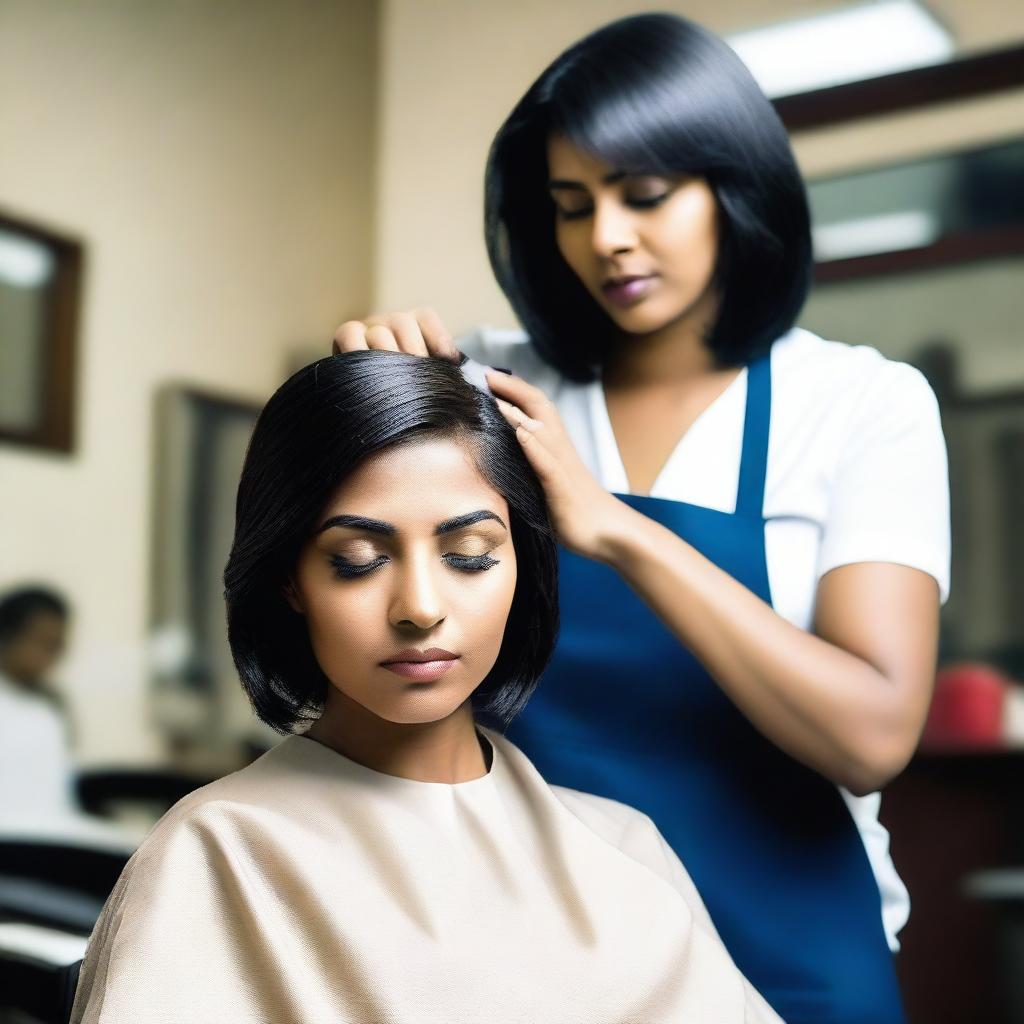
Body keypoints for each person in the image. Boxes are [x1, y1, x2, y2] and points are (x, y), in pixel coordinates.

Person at [331, 13, 950, 1024]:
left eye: (645, 195)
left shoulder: (860, 404)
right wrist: (363, 416)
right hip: (527, 954)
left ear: (734, 187)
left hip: (789, 958)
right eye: (569, 206)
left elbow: (870, 733)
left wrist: (615, 529)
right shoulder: (489, 384)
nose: (603, 238)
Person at [70, 351, 782, 1023]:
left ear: (521, 569)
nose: (419, 607)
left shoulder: (624, 845)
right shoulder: (218, 852)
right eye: (356, 560)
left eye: (469, 557)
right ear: (291, 580)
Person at [0, 585, 79, 826]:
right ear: (7, 637)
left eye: (56, 646)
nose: (51, 656)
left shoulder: (51, 707)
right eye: (42, 643)